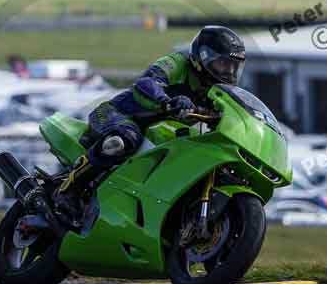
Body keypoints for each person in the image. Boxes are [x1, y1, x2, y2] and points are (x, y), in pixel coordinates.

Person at [55, 26, 246, 220]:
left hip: (158, 134)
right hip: (115, 114)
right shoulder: (177, 62)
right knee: (125, 139)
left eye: (233, 66)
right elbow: (147, 82)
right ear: (204, 56)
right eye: (223, 64)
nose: (229, 71)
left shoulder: (216, 93)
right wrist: (166, 101)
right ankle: (68, 189)